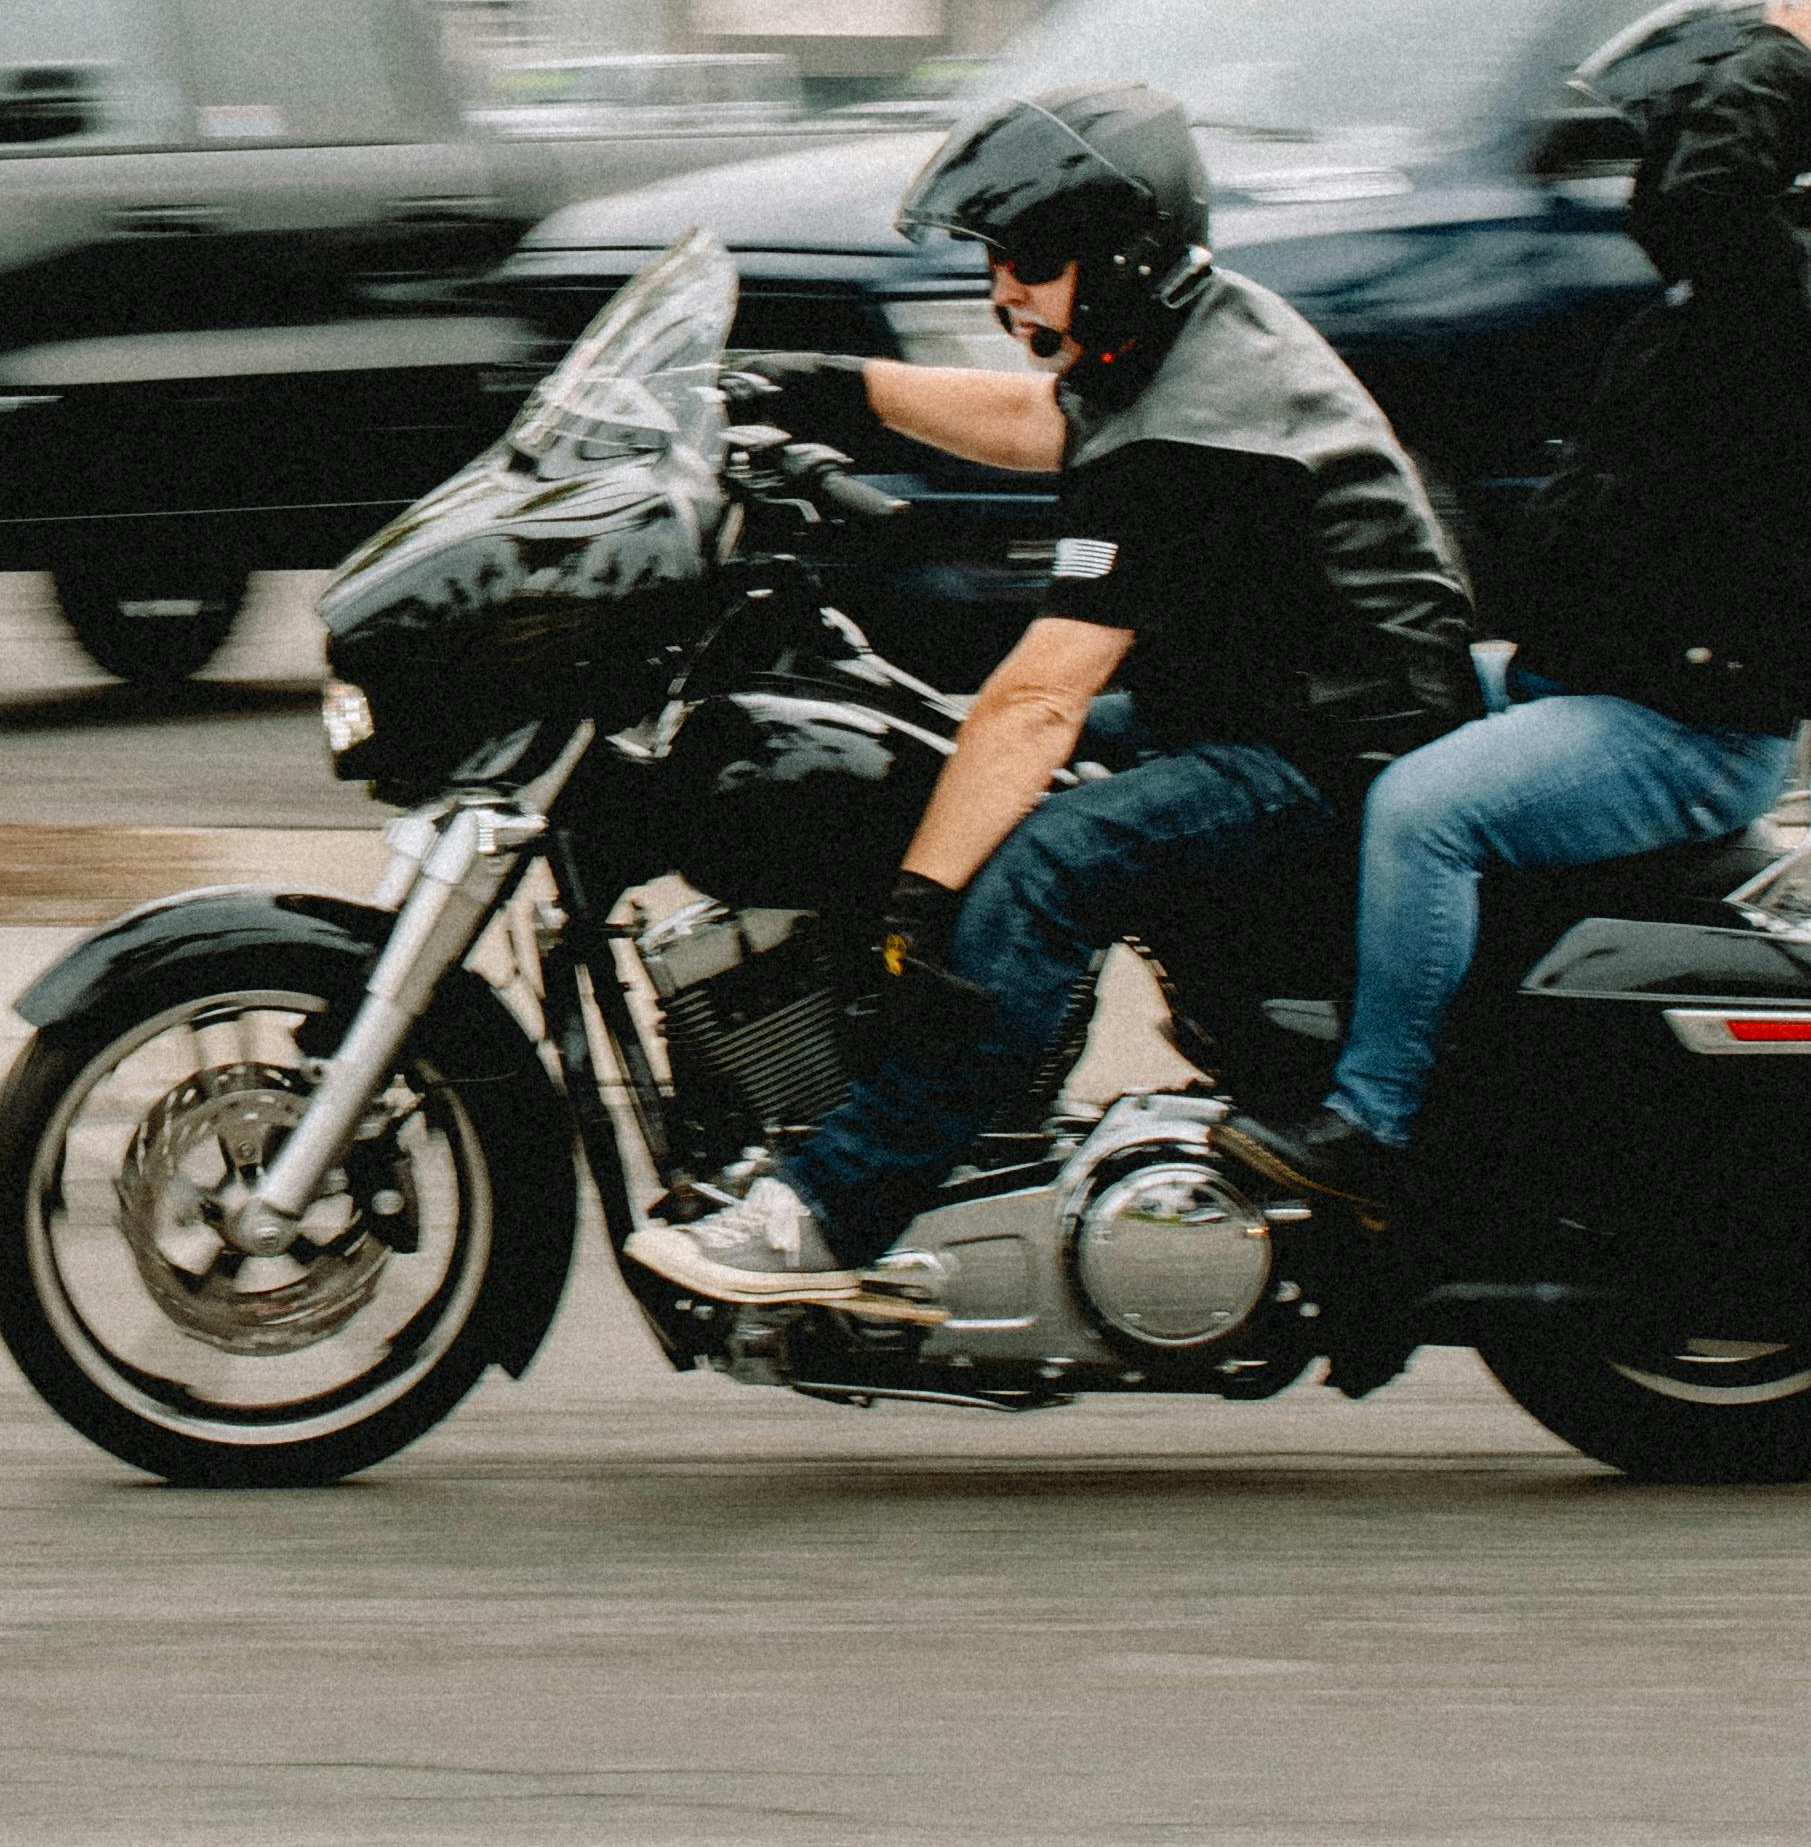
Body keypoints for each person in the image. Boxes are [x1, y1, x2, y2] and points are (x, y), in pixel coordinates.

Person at [625, 81, 1478, 1307]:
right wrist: (825, 386)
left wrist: (923, 902)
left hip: (1336, 745)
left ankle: (833, 1206)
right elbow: (1036, 418)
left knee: (1032, 867)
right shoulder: (1174, 336)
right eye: (994, 260)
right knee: (934, 758)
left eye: (1025, 260)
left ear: (1117, 251)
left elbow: (1035, 701)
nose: (999, 292)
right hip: (1261, 704)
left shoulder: (1182, 434)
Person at [1216, 0, 1811, 1222]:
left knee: (1422, 813)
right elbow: (1682, 201)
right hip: (1589, 680)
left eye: (1672, 131)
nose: (1653, 161)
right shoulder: (1728, 300)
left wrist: (1782, 52)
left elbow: (1701, 195)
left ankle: (1371, 1120)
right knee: (1332, 702)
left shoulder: (1779, 303)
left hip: (1682, 729)